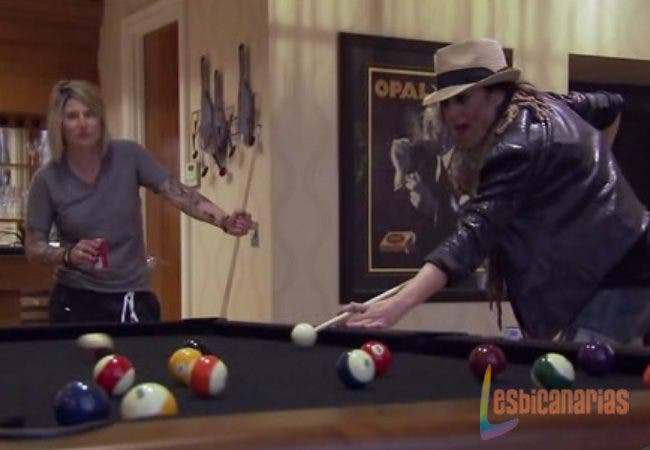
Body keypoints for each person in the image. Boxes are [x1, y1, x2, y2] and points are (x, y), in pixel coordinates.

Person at [343, 38, 650, 344]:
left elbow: (472, 237)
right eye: (446, 103)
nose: (452, 113)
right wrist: (585, 185)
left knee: (587, 374)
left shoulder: (517, 146)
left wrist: (395, 307)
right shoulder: (546, 104)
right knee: (573, 367)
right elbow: (610, 105)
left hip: (619, 273)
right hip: (614, 270)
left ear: (495, 94)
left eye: (463, 99)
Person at [25, 80, 253, 324]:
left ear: (100, 119)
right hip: (75, 299)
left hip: (133, 295)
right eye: (72, 116)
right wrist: (68, 255)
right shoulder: (46, 179)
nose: (83, 123)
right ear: (59, 123)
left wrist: (225, 221)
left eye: (89, 114)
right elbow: (34, 247)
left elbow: (178, 193)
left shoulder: (129, 155)